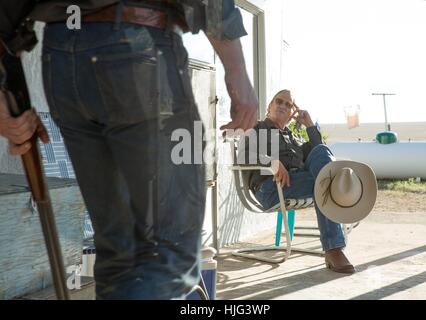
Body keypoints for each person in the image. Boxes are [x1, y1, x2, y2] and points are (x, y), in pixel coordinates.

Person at [0, 0, 258, 299]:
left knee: (119, 252)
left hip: (61, 57)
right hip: (138, 46)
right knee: (168, 253)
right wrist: (236, 69)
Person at [241, 89, 356, 274]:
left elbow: (320, 151)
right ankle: (333, 248)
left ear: (292, 113)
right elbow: (244, 154)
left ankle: (333, 248)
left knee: (320, 154)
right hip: (270, 187)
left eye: (288, 104)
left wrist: (309, 125)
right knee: (328, 182)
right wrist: (272, 162)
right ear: (269, 106)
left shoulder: (294, 138)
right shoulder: (257, 128)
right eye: (279, 101)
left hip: (296, 184)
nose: (283, 105)